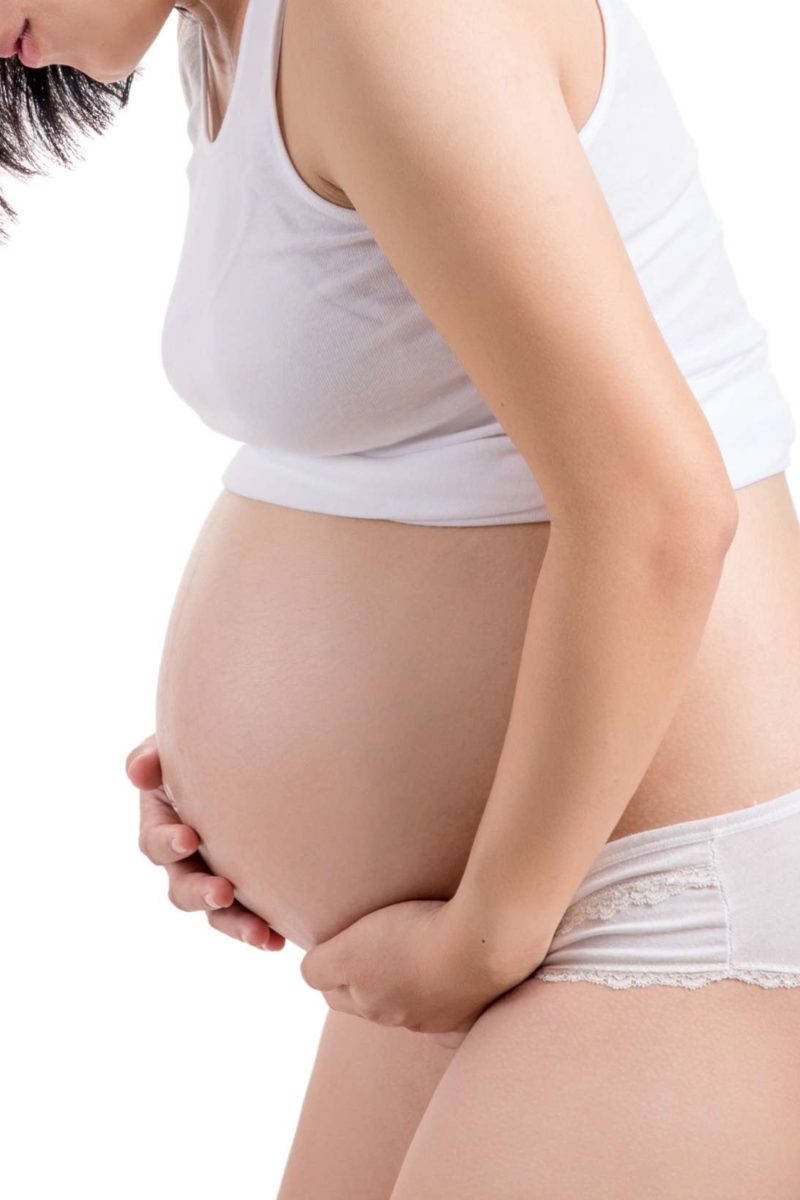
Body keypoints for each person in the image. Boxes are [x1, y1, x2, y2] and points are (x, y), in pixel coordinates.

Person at [7, 0, 800, 1193]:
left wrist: (485, 927)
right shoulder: (233, 35)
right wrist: (267, 777)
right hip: (497, 888)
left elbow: (661, 513)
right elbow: (409, 453)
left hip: (639, 898)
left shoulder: (383, 14)